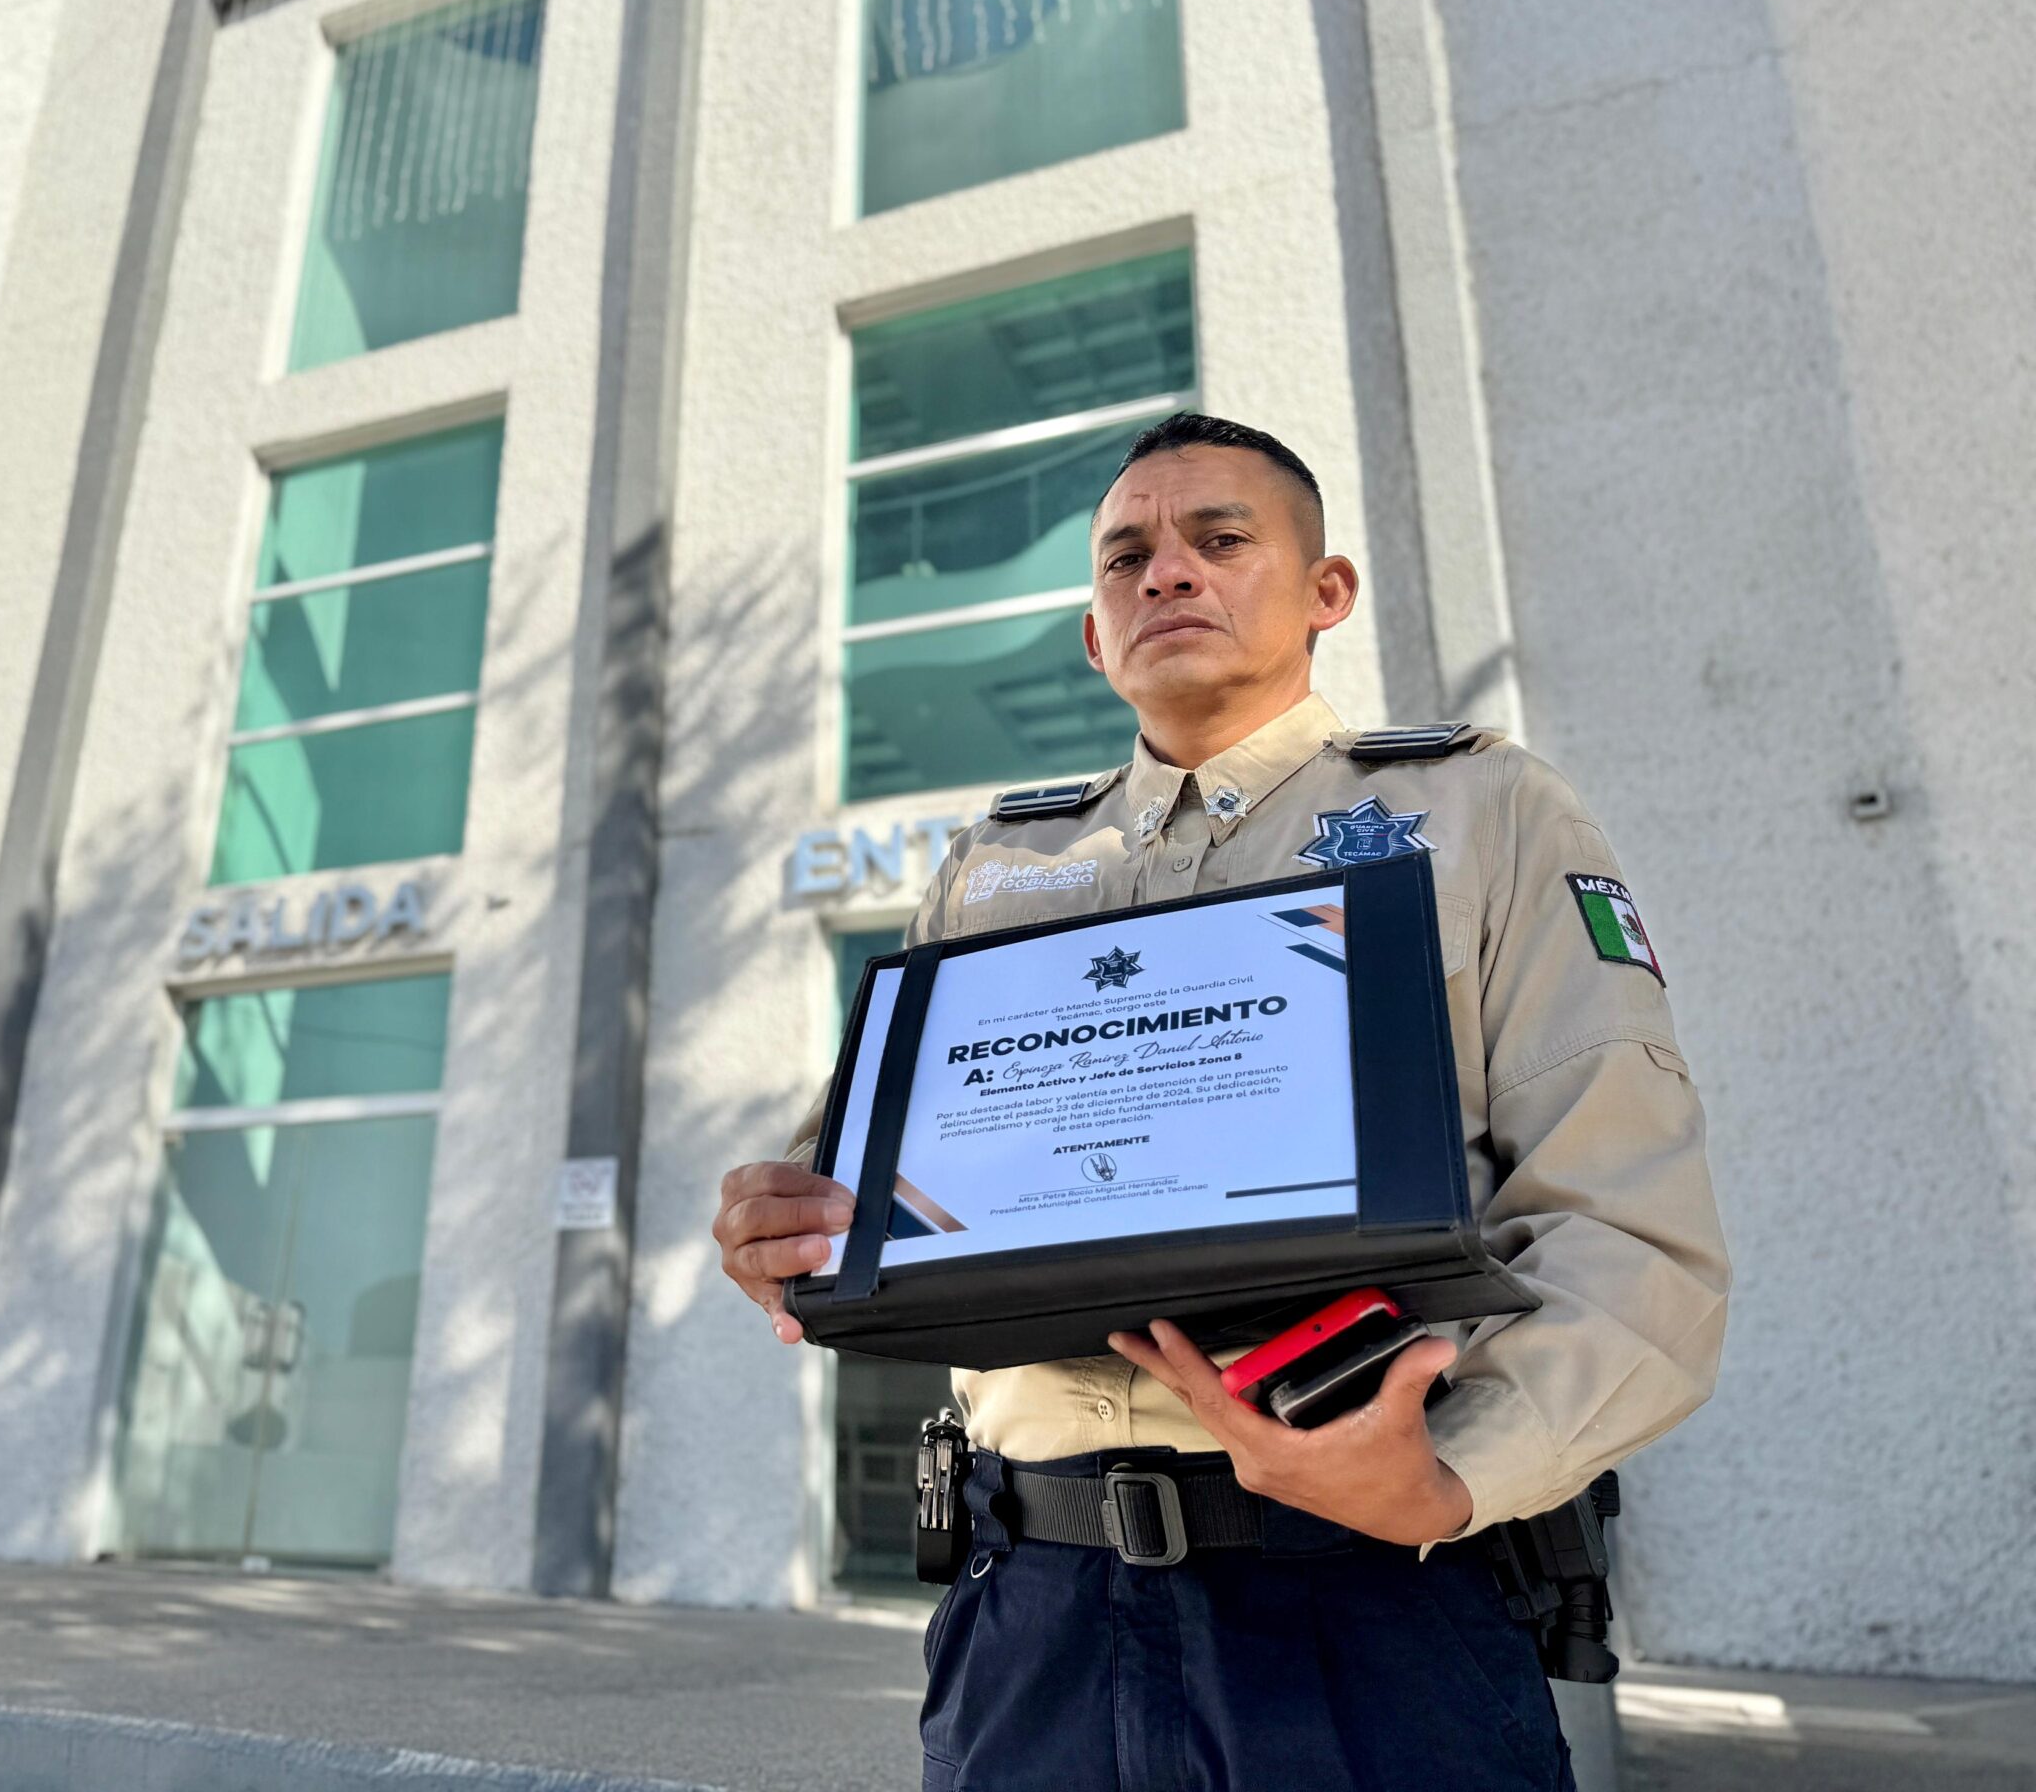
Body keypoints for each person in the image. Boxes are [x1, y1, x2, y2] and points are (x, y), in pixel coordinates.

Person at [711, 413, 1730, 1791]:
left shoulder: (1484, 814)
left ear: (1327, 593)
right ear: (1092, 633)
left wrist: (1452, 1479)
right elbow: (862, 1185)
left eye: (1219, 538)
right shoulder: (995, 868)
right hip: (1034, 1611)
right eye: (1127, 554)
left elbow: (1627, 1225)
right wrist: (785, 1229)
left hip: (1367, 1593)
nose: (1166, 572)